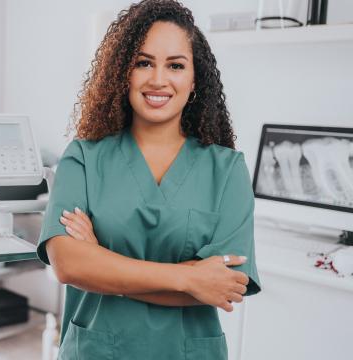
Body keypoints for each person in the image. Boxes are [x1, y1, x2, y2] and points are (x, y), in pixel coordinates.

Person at [36, 1, 262, 359]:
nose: (158, 79)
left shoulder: (228, 170)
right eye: (143, 63)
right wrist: (188, 277)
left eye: (175, 65)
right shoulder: (83, 156)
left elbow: (225, 285)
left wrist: (101, 260)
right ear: (122, 73)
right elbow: (68, 264)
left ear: (194, 79)